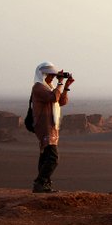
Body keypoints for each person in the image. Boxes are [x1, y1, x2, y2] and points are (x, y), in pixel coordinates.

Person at [30, 61, 74, 193]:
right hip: (44, 125)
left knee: (45, 155)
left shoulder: (49, 87)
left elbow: (62, 101)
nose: (52, 77)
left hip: (51, 124)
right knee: (53, 157)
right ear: (42, 74)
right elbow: (54, 98)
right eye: (50, 75)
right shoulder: (38, 87)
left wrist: (65, 86)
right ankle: (40, 182)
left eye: (53, 75)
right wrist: (60, 84)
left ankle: (45, 185)